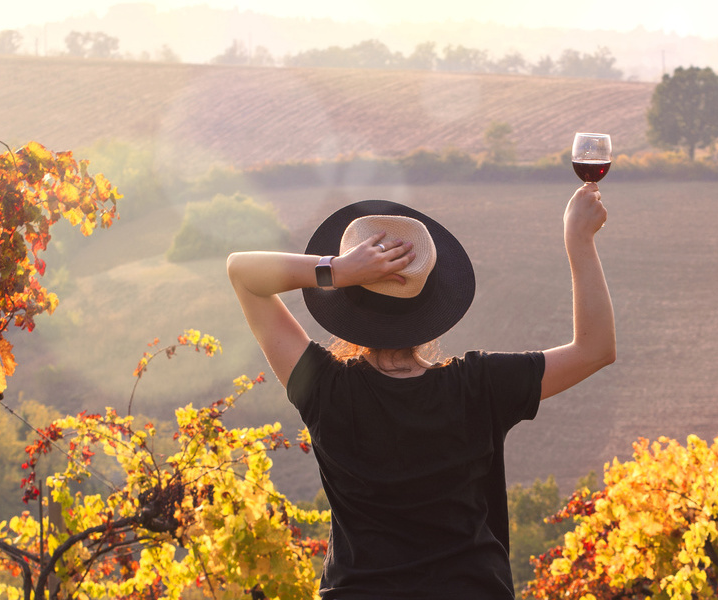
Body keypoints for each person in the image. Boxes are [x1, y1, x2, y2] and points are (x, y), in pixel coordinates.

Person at [225, 183, 614, 598]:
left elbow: (242, 273)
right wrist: (579, 239)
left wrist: (338, 270)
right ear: (433, 295)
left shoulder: (323, 388)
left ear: (348, 304)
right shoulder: (479, 385)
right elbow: (595, 349)